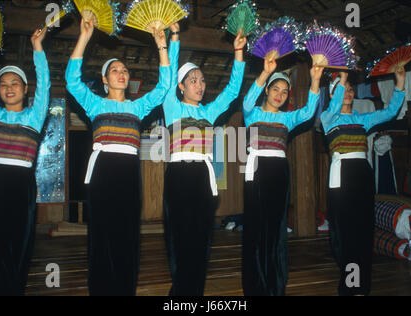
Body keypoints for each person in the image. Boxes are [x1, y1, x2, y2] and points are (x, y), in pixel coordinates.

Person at [65, 18, 171, 296]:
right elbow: (71, 81)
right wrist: (84, 36)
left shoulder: (138, 107)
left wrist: (162, 45)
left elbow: (164, 87)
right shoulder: (94, 103)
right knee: (101, 233)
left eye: (124, 69)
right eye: (115, 70)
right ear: (104, 79)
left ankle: (125, 289)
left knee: (127, 234)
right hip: (103, 171)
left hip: (128, 172)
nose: (121, 73)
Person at [162, 23, 246, 296]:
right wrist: (174, 37)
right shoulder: (171, 106)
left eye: (202, 80)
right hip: (178, 176)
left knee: (202, 236)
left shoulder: (209, 113)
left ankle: (194, 291)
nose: (200, 85)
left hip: (203, 177)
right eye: (193, 80)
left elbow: (233, 91)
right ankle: (180, 291)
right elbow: (169, 69)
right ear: (181, 86)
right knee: (179, 235)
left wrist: (238, 53)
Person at [242, 58, 323, 296]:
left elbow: (309, 112)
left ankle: (274, 284)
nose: (280, 95)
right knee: (256, 228)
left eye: (285, 92)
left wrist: (315, 79)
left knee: (276, 229)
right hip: (256, 172)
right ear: (266, 90)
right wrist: (265, 73)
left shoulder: (287, 118)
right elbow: (246, 99)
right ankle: (255, 285)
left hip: (279, 173)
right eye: (275, 89)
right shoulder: (252, 112)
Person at [321, 69, 406, 296]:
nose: (347, 91)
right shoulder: (328, 118)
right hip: (341, 180)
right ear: (333, 94)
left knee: (363, 232)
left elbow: (390, 111)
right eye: (342, 89)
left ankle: (362, 287)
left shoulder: (362, 120)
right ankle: (350, 285)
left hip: (362, 176)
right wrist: (343, 79)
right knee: (345, 235)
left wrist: (400, 83)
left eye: (350, 89)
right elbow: (334, 102)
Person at [0, 26, 50, 295]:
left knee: (19, 246)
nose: (9, 88)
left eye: (15, 84)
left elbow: (44, 82)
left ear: (24, 88)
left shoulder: (35, 116)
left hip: (21, 185)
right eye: (3, 84)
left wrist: (37, 48)